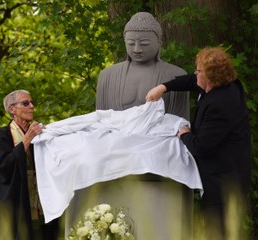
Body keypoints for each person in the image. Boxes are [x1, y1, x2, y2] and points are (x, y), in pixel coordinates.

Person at [64, 12, 193, 240]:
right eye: (130, 43)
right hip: (116, 140)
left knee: (170, 156)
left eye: (144, 43)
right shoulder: (108, 76)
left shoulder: (174, 75)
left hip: (157, 142)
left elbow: (179, 122)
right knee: (78, 156)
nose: (136, 48)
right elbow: (100, 120)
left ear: (159, 42)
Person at [146, 46, 252, 239]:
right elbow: (190, 80)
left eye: (199, 71)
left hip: (223, 181)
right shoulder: (220, 84)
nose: (195, 73)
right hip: (224, 171)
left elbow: (201, 147)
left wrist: (184, 133)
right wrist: (163, 87)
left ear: (211, 76)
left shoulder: (221, 103)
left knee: (218, 230)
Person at [0, 90, 60, 240]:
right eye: (26, 103)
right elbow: (4, 167)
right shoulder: (4, 134)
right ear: (12, 109)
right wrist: (27, 139)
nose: (32, 106)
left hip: (41, 199)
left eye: (32, 102)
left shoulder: (39, 132)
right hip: (18, 199)